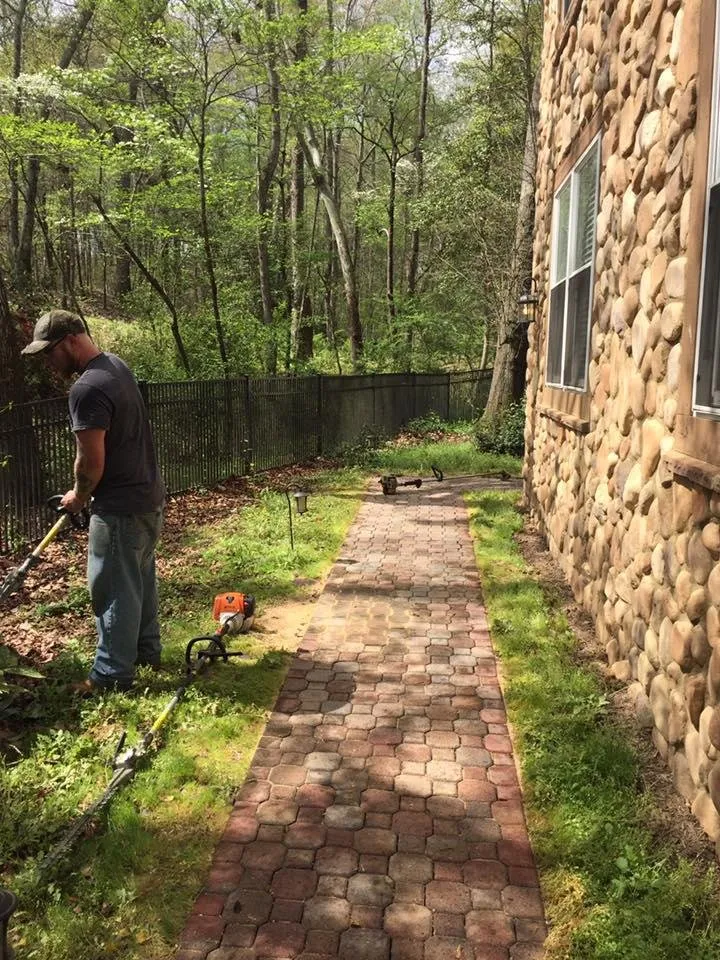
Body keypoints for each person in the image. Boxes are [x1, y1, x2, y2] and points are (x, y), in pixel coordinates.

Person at [22, 309, 165, 692]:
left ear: (70, 340)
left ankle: (111, 675)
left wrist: (79, 495)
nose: (49, 364)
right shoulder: (116, 367)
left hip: (118, 507)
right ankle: (147, 653)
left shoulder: (86, 388)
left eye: (49, 353)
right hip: (148, 498)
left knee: (113, 587)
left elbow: (90, 460)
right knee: (139, 580)